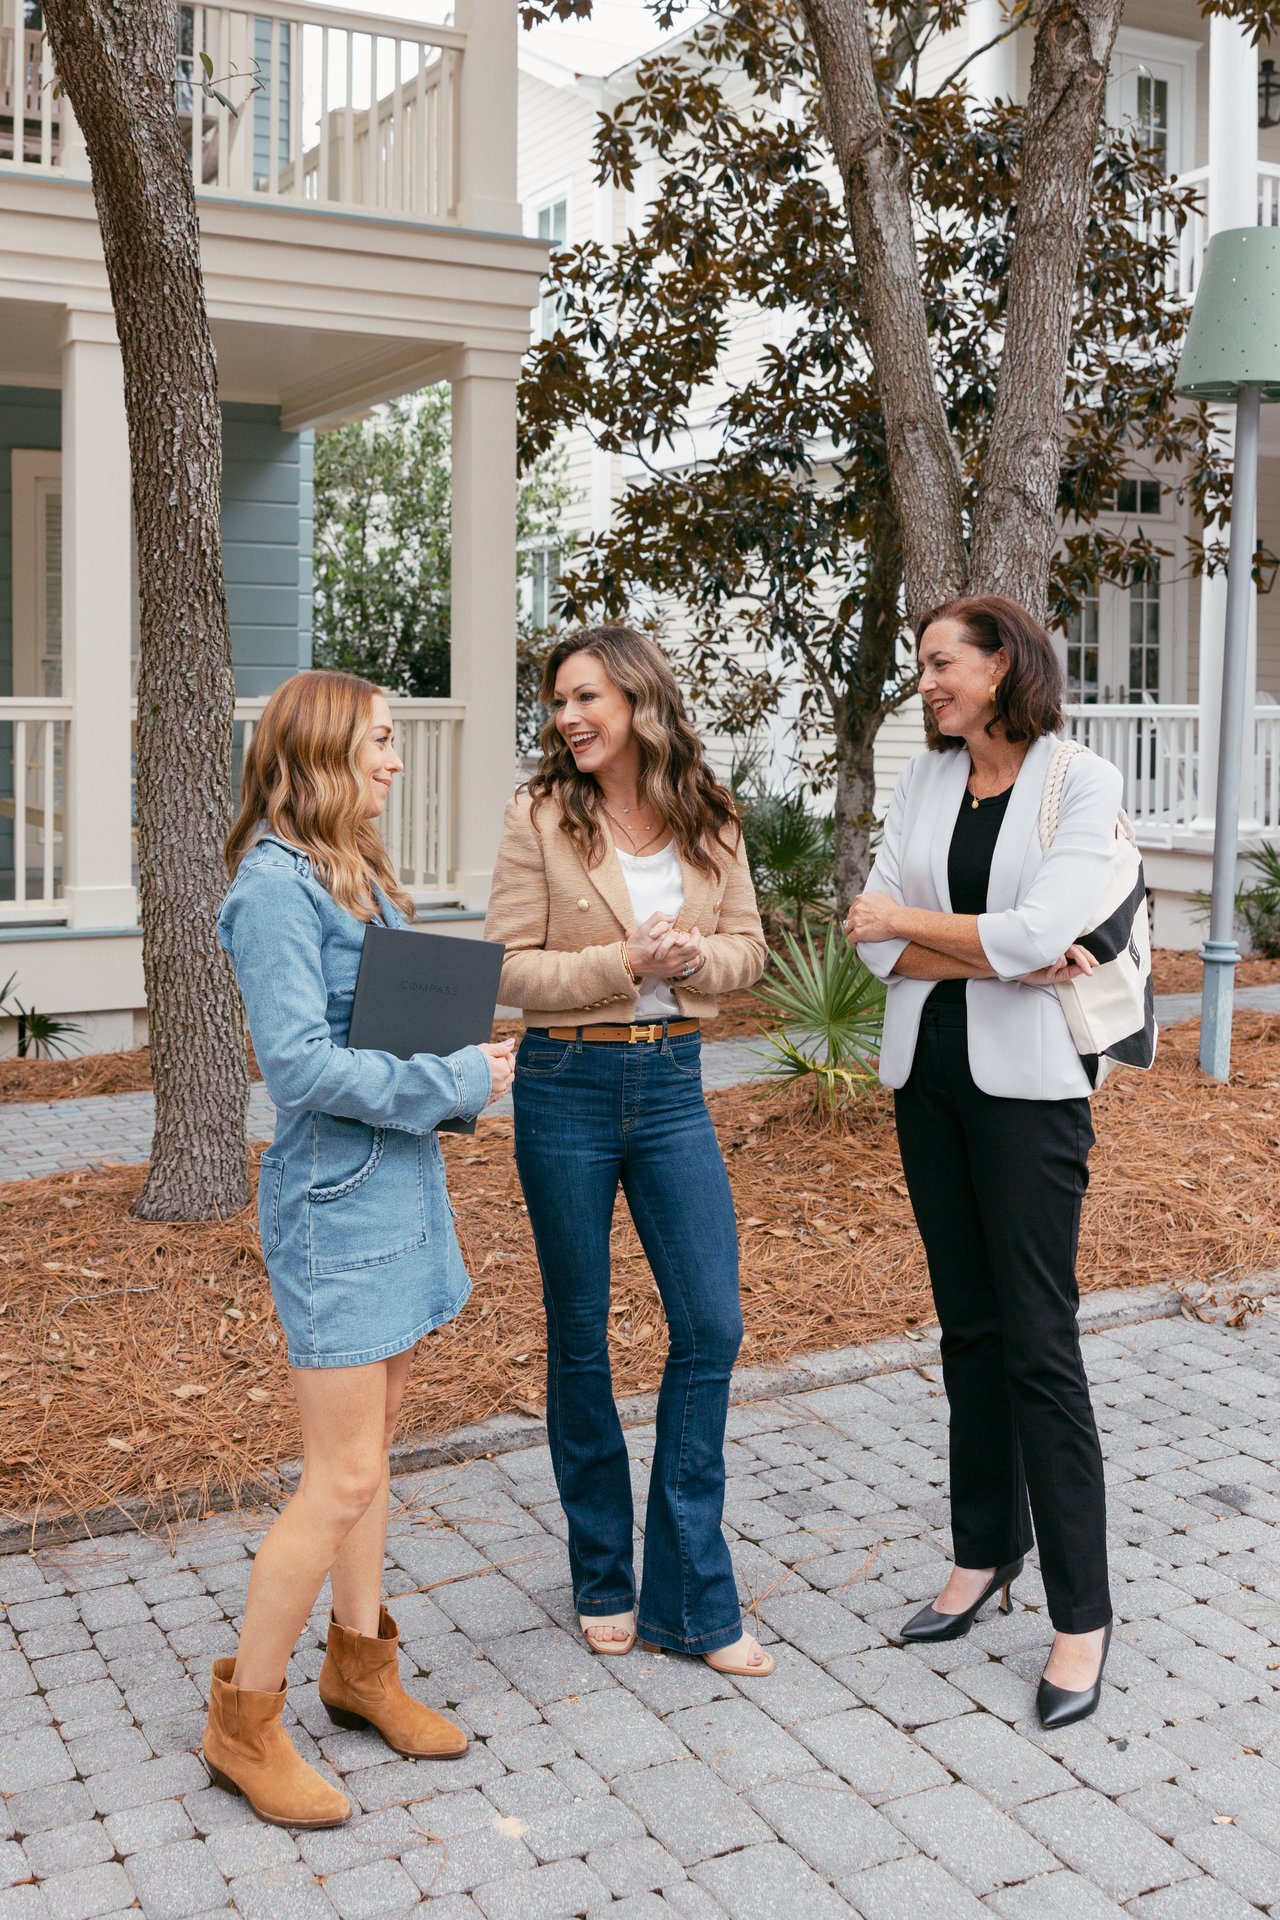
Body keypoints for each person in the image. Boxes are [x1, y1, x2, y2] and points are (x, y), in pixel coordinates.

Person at [204, 669, 515, 1829]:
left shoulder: (348, 871)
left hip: (395, 1188)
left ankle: (359, 1670)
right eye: (380, 742)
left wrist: (450, 1057)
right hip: (336, 1204)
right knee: (336, 1477)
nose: (393, 759)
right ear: (326, 751)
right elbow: (298, 1070)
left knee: (374, 1458)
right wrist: (455, 1075)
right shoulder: (275, 892)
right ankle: (245, 1720)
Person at [847, 595, 1117, 1730]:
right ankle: (980, 1553)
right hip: (928, 1082)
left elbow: (1040, 928)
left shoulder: (1078, 781)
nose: (926, 684)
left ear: (1004, 663)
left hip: (1030, 1098)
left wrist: (944, 934)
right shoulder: (921, 780)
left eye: (941, 662)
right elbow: (870, 936)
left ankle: (1080, 1617)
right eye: (918, 666)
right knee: (966, 1328)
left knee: (1038, 1345)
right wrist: (997, 945)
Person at [484, 625, 772, 1675]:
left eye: (585, 696)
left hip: (671, 1085)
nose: (566, 717)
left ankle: (689, 1593)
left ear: (638, 698)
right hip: (564, 1084)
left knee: (710, 1323)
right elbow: (504, 968)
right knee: (581, 1335)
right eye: (558, 700)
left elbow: (749, 948)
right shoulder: (540, 815)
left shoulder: (708, 811)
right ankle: (602, 1573)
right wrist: (618, 962)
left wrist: (697, 957)